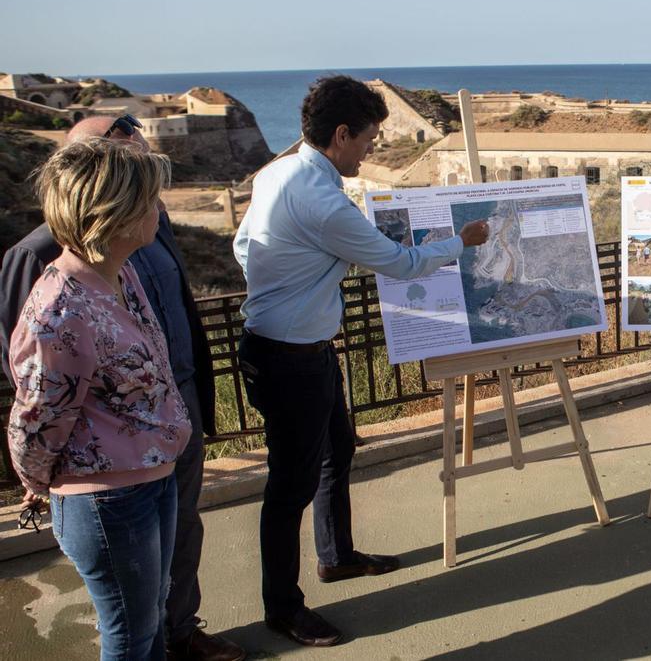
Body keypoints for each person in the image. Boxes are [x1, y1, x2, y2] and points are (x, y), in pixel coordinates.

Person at [233, 76, 488, 648]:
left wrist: (280, 282)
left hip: (299, 348)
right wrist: (460, 242)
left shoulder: (280, 172)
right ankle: (284, 608)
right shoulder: (322, 201)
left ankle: (336, 555)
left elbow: (243, 245)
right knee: (289, 485)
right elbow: (399, 263)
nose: (374, 148)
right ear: (341, 134)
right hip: (290, 358)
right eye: (370, 137)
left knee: (337, 450)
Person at [0, 116, 244, 661]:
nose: (160, 211)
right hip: (108, 500)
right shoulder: (62, 310)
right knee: (130, 639)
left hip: (149, 481)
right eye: (150, 201)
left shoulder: (120, 274)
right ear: (116, 215)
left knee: (149, 626)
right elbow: (34, 421)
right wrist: (44, 484)